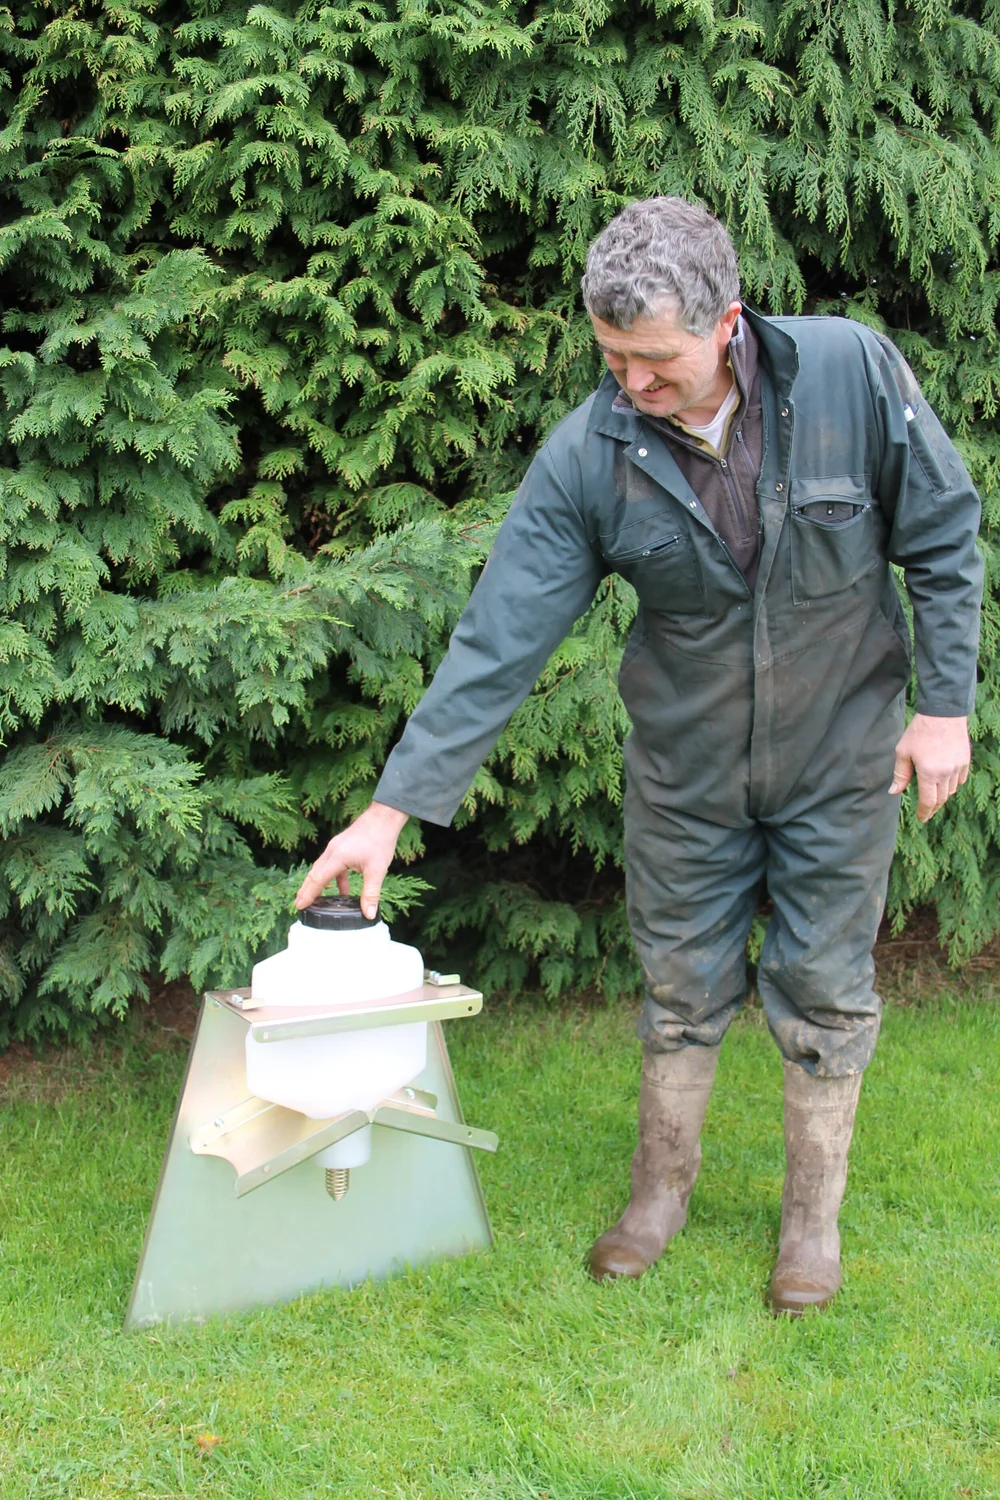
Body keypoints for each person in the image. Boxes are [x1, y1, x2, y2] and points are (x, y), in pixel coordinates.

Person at [294, 197, 983, 1315]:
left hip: (840, 756)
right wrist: (391, 809)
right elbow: (499, 638)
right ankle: (659, 1192)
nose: (632, 383)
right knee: (678, 986)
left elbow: (944, 532)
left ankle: (810, 1216)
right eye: (612, 357)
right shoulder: (590, 455)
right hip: (686, 777)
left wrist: (943, 708)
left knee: (824, 986)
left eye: (655, 359)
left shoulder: (849, 374)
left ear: (727, 323)